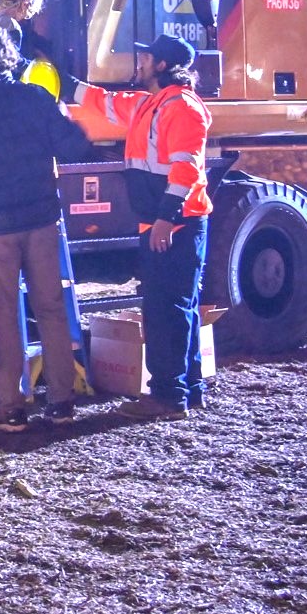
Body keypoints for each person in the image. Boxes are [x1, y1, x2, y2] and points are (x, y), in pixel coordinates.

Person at [0, 27, 92, 431]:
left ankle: (11, 408)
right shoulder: (36, 97)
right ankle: (62, 402)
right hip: (42, 220)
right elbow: (75, 146)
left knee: (5, 314)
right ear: (9, 56)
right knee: (51, 310)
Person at [69, 35, 212, 419]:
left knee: (166, 311)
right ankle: (187, 388)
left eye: (146, 57)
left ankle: (167, 397)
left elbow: (186, 168)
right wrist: (61, 81)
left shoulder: (181, 108)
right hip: (164, 223)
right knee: (179, 308)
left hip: (175, 225)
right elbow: (105, 103)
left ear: (162, 65)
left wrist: (166, 218)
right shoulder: (153, 104)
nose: (140, 62)